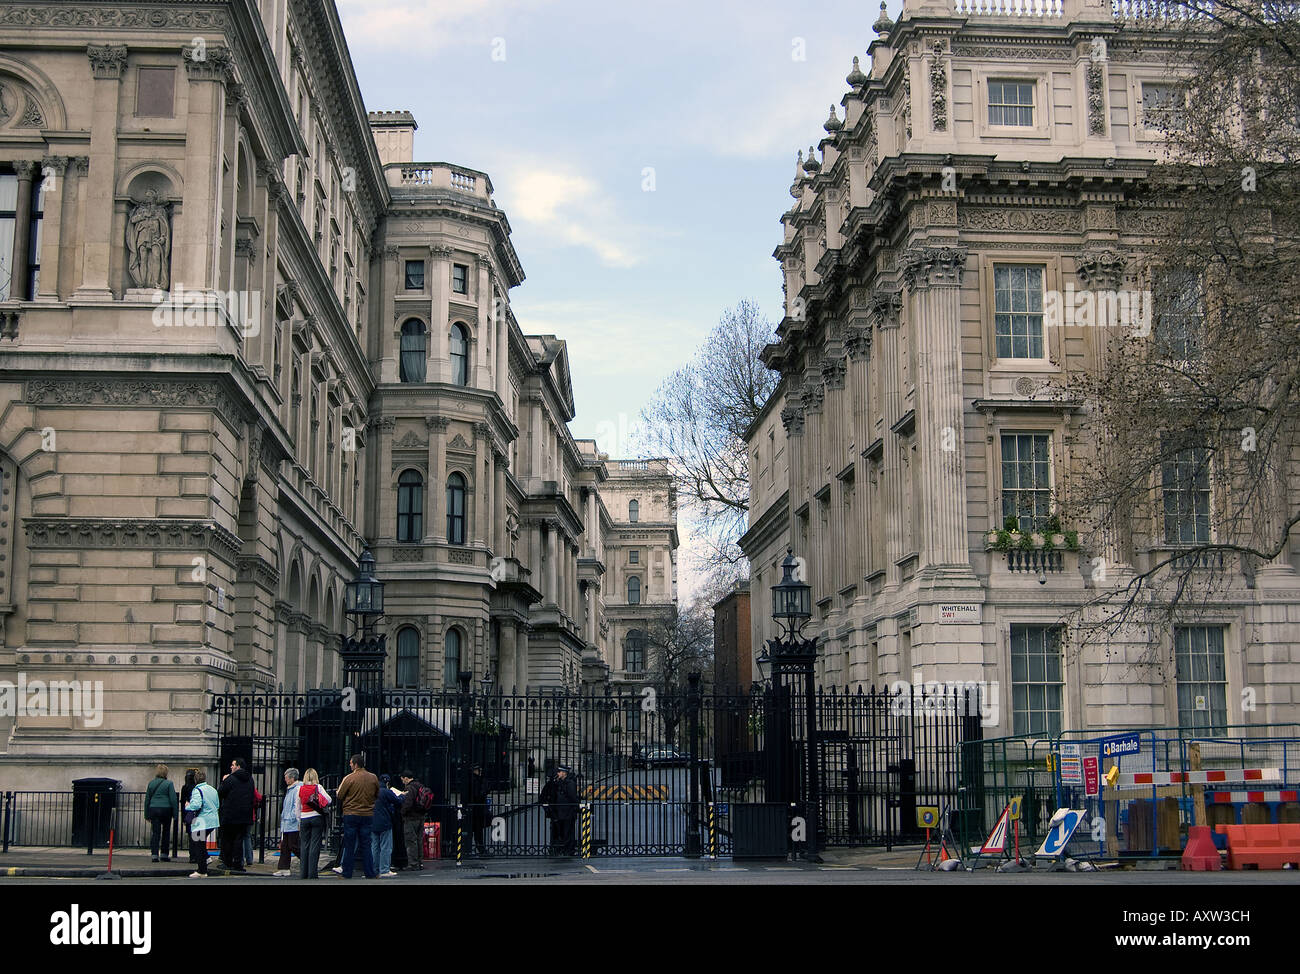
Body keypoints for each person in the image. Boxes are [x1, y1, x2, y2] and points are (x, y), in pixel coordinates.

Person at [334, 754, 379, 879]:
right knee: (366, 844)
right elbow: (377, 794)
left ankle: (347, 872)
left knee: (349, 844)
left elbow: (340, 795)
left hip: (351, 814)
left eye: (350, 763)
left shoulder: (349, 778)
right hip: (367, 814)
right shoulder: (373, 777)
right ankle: (370, 872)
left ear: (355, 764)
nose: (349, 765)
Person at [216, 757, 256, 873]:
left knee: (228, 839)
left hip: (231, 815)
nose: (231, 767)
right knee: (239, 840)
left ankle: (227, 862)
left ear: (238, 766)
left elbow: (220, 792)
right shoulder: (250, 779)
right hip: (245, 815)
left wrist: (223, 781)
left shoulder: (230, 779)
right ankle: (238, 863)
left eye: (233, 765)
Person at [297, 768, 332, 879]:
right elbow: (329, 799)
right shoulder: (318, 787)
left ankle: (303, 873)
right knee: (314, 845)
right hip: (316, 817)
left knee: (304, 845)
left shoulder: (300, 789)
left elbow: (297, 807)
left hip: (304, 817)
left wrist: (299, 819)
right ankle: (312, 873)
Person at [185, 769, 220, 878]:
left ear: (195, 780)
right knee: (201, 842)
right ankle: (206, 858)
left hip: (201, 821)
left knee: (198, 844)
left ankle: (202, 870)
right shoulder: (212, 789)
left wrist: (187, 806)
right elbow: (217, 804)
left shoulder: (197, 790)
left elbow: (196, 805)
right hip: (213, 820)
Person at [144, 763, 179, 863]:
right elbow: (173, 799)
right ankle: (164, 854)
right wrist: (175, 814)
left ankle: (154, 854)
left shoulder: (151, 783)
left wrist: (146, 814)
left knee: (155, 833)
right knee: (166, 832)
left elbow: (147, 800)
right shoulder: (169, 784)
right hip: (166, 810)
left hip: (154, 809)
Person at [370, 773, 402, 877]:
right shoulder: (387, 792)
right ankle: (384, 869)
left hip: (372, 821)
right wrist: (402, 795)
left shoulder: (372, 791)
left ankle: (374, 869)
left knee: (374, 847)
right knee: (386, 847)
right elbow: (398, 801)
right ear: (387, 782)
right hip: (385, 822)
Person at [274, 768, 302, 877]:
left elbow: (296, 806)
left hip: (293, 823)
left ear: (292, 778)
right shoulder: (290, 789)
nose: (285, 780)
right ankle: (283, 868)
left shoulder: (297, 789)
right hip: (286, 823)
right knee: (285, 846)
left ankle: (306, 861)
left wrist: (292, 818)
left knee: (293, 846)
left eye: (286, 778)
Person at [398, 770, 426, 871]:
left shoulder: (409, 788)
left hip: (411, 818)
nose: (402, 782)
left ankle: (413, 864)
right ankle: (419, 862)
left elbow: (408, 804)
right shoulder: (420, 785)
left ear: (406, 778)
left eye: (402, 779)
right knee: (419, 840)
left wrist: (402, 812)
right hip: (421, 817)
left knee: (411, 841)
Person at [553, 765, 579, 856]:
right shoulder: (561, 782)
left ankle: (569, 850)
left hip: (568, 812)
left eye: (559, 772)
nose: (557, 773)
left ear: (564, 773)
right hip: (562, 812)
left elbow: (573, 797)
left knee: (568, 831)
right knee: (564, 831)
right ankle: (564, 848)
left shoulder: (570, 783)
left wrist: (576, 807)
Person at [469, 764, 490, 855]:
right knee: (477, 831)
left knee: (475, 830)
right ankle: (480, 849)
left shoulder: (476, 779)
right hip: (476, 810)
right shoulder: (476, 780)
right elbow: (478, 794)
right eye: (478, 770)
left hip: (474, 809)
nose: (480, 771)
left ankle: (470, 849)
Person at [180, 769, 198, 865]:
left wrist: (183, 818)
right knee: (197, 836)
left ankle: (192, 857)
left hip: (188, 814)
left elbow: (183, 803)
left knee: (191, 836)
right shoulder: (196, 787)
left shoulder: (185, 787)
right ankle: (197, 856)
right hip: (196, 814)